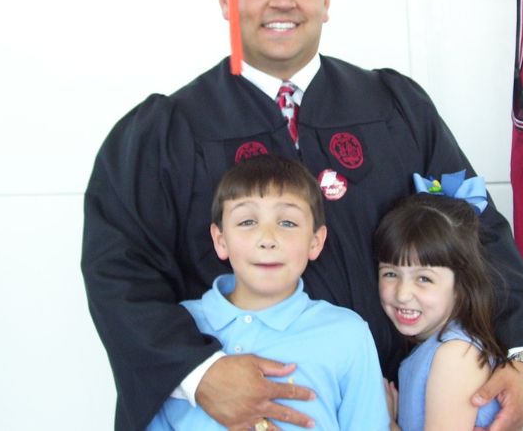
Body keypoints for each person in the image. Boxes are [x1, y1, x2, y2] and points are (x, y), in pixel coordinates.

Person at [82, 0, 523, 431]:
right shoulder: (167, 131)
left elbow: (473, 228)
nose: (282, 0)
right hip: (231, 409)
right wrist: (199, 373)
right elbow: (119, 271)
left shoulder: (395, 107)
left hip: (392, 404)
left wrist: (522, 352)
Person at [148, 154, 389, 430]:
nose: (267, 239)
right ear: (220, 240)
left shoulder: (348, 334)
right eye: (247, 222)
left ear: (315, 241)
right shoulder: (177, 330)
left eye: (287, 223)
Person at [375, 176, 508, 430]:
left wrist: (388, 423)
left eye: (424, 278)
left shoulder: (455, 355)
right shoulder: (436, 348)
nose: (403, 294)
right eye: (390, 273)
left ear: (460, 285)